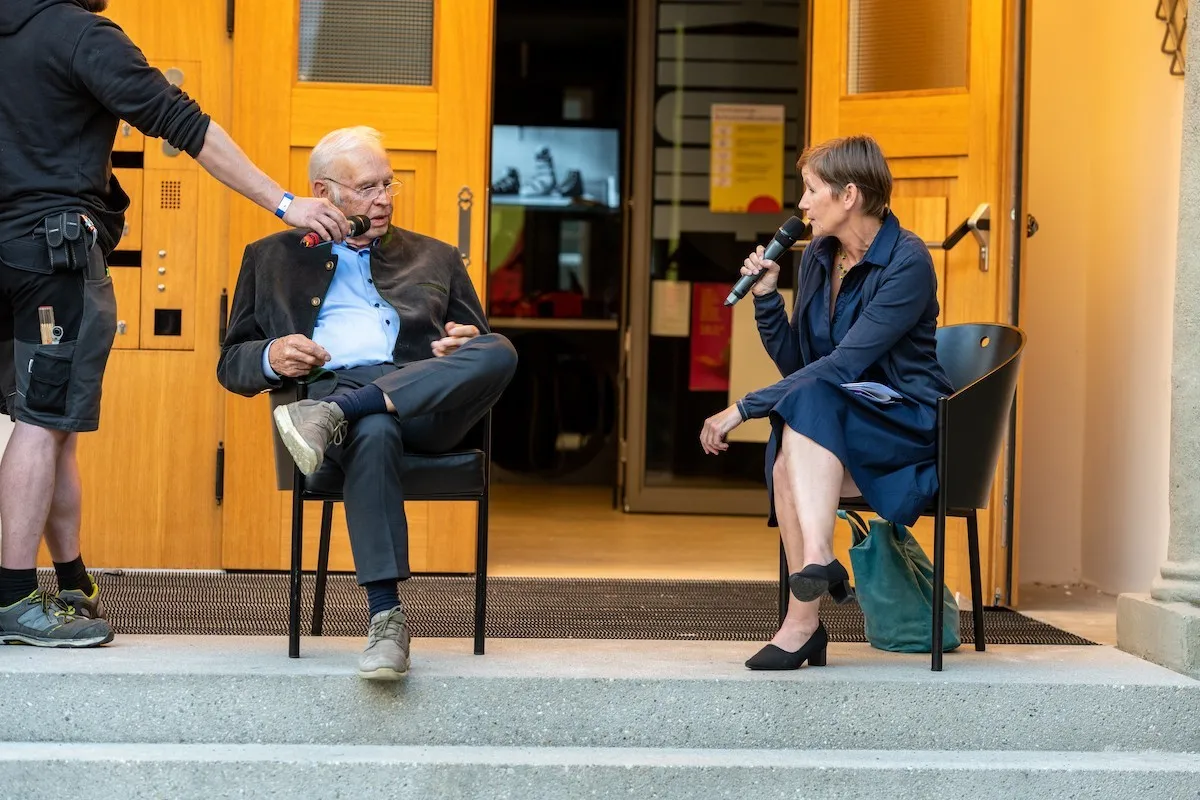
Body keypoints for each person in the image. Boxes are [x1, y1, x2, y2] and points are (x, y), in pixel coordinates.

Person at [0, 0, 351, 648]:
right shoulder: (82, 36)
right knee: (41, 422)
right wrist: (284, 201)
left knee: (50, 426)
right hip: (51, 257)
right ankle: (13, 596)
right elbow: (187, 126)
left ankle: (73, 581)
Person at [218, 126, 517, 680]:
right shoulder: (271, 258)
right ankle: (387, 619)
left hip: (424, 404)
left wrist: (462, 343)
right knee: (374, 427)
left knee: (499, 348)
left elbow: (475, 346)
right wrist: (272, 354)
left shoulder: (436, 256)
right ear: (322, 192)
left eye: (388, 184)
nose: (383, 199)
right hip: (340, 396)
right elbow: (231, 364)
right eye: (366, 188)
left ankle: (340, 414)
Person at [699, 135, 954, 670]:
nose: (802, 204)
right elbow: (800, 366)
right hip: (839, 419)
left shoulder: (907, 262)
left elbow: (841, 366)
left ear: (849, 196)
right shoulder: (818, 255)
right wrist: (767, 299)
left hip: (906, 428)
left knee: (796, 436)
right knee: (795, 439)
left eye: (811, 190)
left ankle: (803, 621)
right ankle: (816, 566)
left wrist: (743, 408)